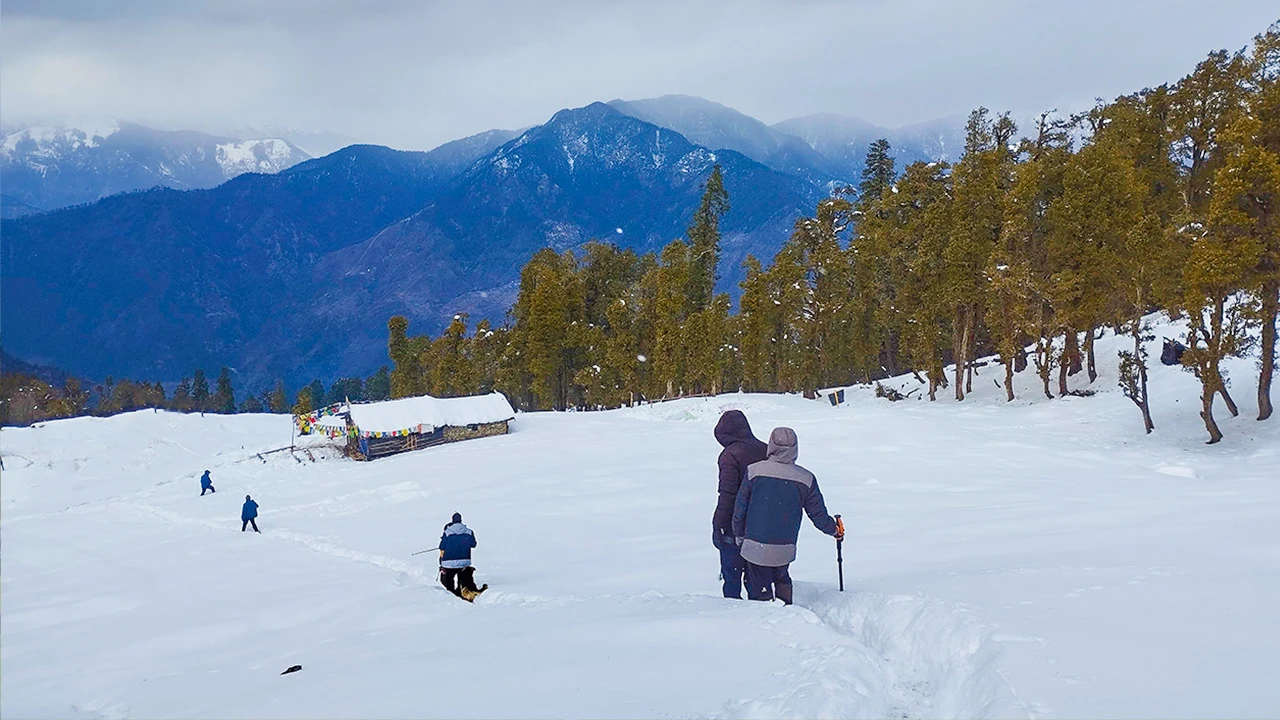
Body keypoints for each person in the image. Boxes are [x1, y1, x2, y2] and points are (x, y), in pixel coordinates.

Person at [732, 427, 842, 605]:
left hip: (754, 546)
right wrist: (834, 530)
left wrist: (739, 534)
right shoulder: (806, 478)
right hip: (785, 547)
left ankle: (763, 612)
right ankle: (786, 611)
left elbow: (740, 509)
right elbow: (818, 515)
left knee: (759, 589)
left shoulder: (753, 472)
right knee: (781, 576)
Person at [712, 410, 768, 599]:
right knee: (756, 579)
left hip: (733, 527)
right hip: (761, 523)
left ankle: (732, 615)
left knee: (732, 577)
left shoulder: (729, 455)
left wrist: (718, 524)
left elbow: (727, 494)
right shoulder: (765, 450)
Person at [438, 512, 486, 601]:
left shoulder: (447, 532)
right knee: (464, 576)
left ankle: (452, 594)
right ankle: (466, 591)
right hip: (464, 561)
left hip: (449, 563)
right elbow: (473, 544)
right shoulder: (469, 531)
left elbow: (442, 547)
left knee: (447, 580)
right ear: (461, 521)